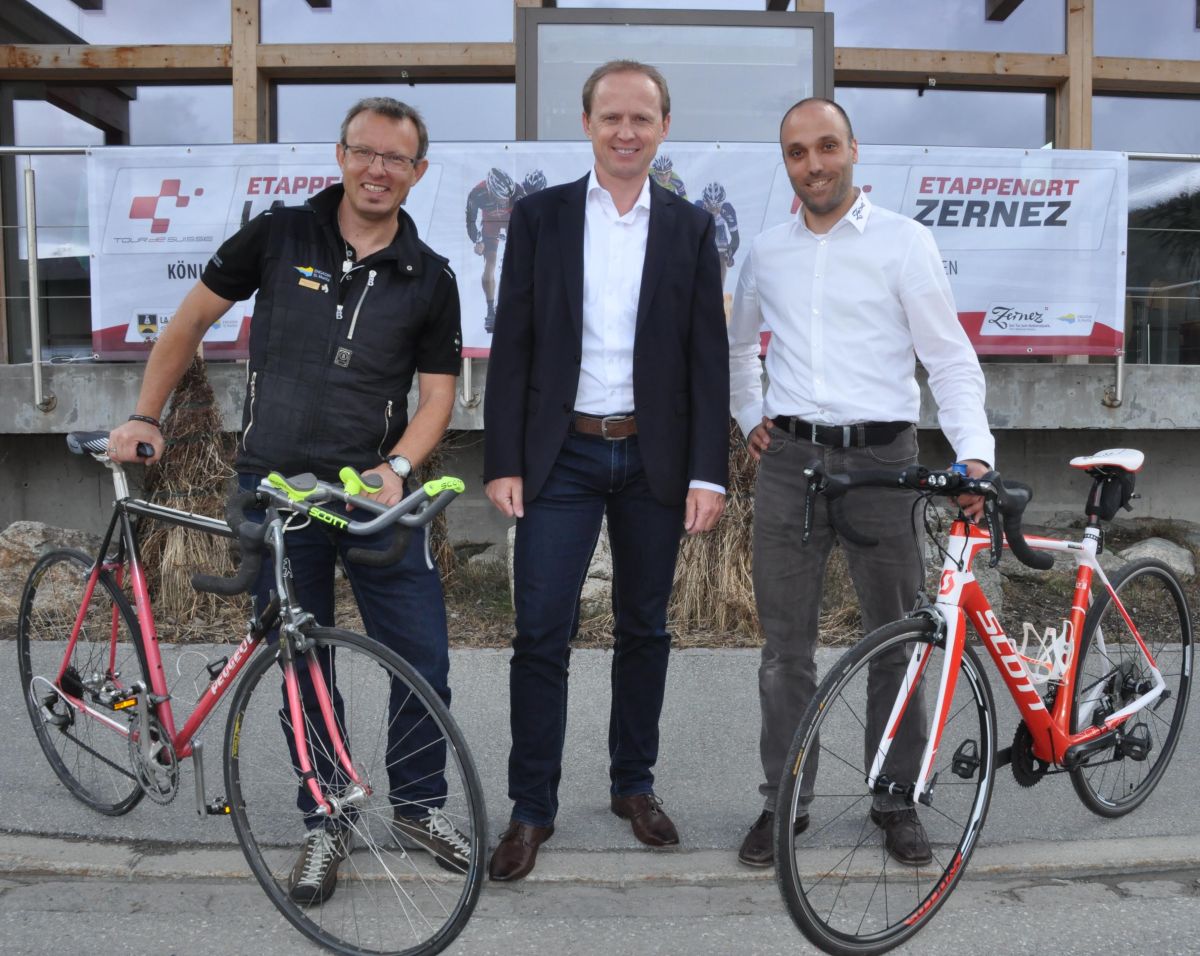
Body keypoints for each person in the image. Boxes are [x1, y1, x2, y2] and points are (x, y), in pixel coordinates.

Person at [108, 97, 466, 902]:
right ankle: (326, 820)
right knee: (304, 666)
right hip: (273, 491)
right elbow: (189, 322)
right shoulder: (279, 234)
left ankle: (418, 808)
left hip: (370, 498)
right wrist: (145, 414)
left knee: (423, 660)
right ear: (340, 156)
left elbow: (439, 395)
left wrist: (398, 468)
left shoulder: (430, 275)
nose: (377, 169)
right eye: (365, 151)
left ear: (418, 172)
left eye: (396, 158)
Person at [726, 97, 994, 869]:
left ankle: (895, 797)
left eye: (826, 146)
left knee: (897, 640)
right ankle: (785, 801)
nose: (814, 164)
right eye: (797, 152)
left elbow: (948, 359)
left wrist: (974, 455)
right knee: (785, 651)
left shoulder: (905, 242)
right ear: (786, 163)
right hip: (791, 465)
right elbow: (739, 348)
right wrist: (749, 414)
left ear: (852, 149)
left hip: (884, 464)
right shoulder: (767, 251)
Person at [483, 59, 729, 882]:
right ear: (588, 123)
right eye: (612, 117)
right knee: (540, 632)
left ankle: (633, 785)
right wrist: (504, 458)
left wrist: (708, 473)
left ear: (664, 128)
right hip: (562, 455)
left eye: (642, 118)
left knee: (645, 629)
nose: (627, 132)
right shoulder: (540, 217)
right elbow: (513, 344)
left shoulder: (690, 227)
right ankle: (531, 807)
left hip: (655, 456)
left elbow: (707, 359)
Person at [466, 167, 519, 332]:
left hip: (511, 220)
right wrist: (477, 241)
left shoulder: (517, 191)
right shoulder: (477, 193)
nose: (504, 201)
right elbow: (470, 221)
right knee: (489, 266)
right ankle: (490, 311)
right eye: (500, 197)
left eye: (507, 197)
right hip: (490, 224)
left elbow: (528, 217)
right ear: (490, 190)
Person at [694, 181, 739, 287]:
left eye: (717, 206)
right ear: (705, 203)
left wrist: (730, 254)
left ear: (722, 203)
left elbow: (735, 239)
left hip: (719, 229)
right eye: (710, 206)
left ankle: (719, 288)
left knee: (722, 256)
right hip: (704, 227)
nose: (714, 210)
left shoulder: (728, 209)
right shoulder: (698, 206)